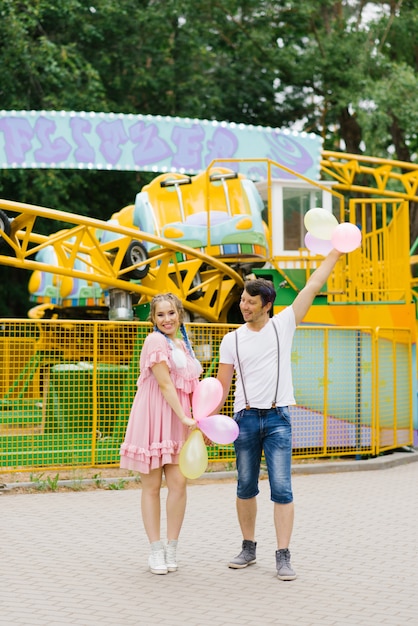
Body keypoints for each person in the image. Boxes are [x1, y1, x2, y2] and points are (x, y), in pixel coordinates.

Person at [216, 249, 343, 581]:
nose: (244, 306)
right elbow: (221, 383)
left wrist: (334, 254)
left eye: (250, 302)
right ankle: (248, 547)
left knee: (282, 489)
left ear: (266, 305)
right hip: (244, 419)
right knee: (245, 486)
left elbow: (312, 286)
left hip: (277, 419)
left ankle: (283, 556)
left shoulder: (283, 325)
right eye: (242, 300)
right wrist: (209, 421)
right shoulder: (231, 340)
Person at [120, 293, 202, 575]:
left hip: (180, 419)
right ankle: (155, 549)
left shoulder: (184, 344)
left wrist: (199, 421)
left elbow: (193, 387)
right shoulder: (155, 341)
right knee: (152, 486)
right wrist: (184, 417)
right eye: (160, 315)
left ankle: (172, 547)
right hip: (156, 416)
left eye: (171, 313)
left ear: (179, 314)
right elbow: (166, 385)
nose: (166, 319)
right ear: (153, 319)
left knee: (179, 485)